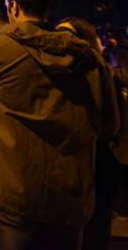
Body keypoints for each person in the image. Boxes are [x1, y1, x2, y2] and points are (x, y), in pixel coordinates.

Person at [0, 0, 118, 250]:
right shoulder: (86, 56)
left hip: (13, 185)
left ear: (13, 7)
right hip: (69, 187)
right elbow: (109, 124)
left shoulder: (0, 48)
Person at [56, 17, 121, 250]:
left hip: (97, 156)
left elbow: (111, 123)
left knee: (96, 222)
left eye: (68, 35)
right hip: (68, 158)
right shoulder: (54, 72)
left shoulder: (103, 73)